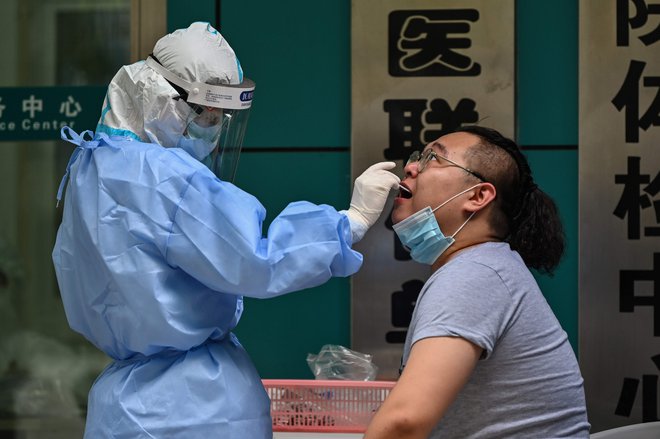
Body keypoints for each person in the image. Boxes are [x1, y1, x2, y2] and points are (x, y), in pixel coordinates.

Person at [52, 22, 399, 438]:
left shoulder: (91, 166)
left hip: (121, 409)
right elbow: (258, 260)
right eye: (205, 115)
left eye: (220, 118)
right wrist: (350, 222)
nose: (212, 133)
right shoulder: (165, 177)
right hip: (195, 406)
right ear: (164, 98)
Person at [365, 126, 590, 438]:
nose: (411, 166)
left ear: (478, 195)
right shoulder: (486, 265)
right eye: (419, 156)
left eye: (433, 158)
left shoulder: (475, 274)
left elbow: (404, 421)